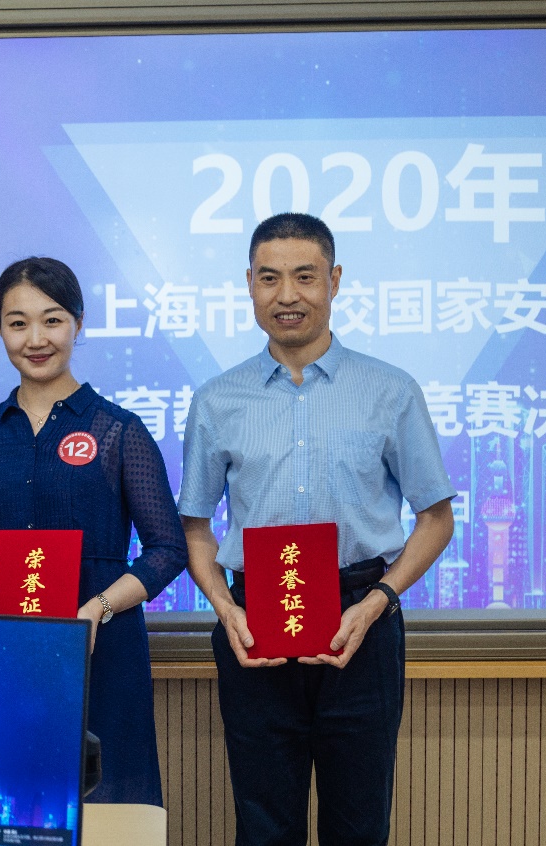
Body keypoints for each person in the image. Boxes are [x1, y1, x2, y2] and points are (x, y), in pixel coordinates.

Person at [179, 213, 456, 845]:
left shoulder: (390, 390)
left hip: (362, 619)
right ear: (249, 284)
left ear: (334, 280)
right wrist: (226, 609)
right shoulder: (218, 400)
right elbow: (195, 527)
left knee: (358, 825)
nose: (287, 295)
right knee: (263, 825)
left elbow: (436, 519)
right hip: (255, 625)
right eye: (269, 278)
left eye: (305, 277)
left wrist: (378, 601)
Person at [0, 257, 187, 806]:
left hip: (105, 646)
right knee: (14, 801)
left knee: (111, 804)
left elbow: (167, 548)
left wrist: (95, 610)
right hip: (11, 648)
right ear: (0, 329)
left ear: (78, 324)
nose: (36, 339)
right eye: (18, 323)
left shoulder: (119, 430)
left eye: (52, 320)